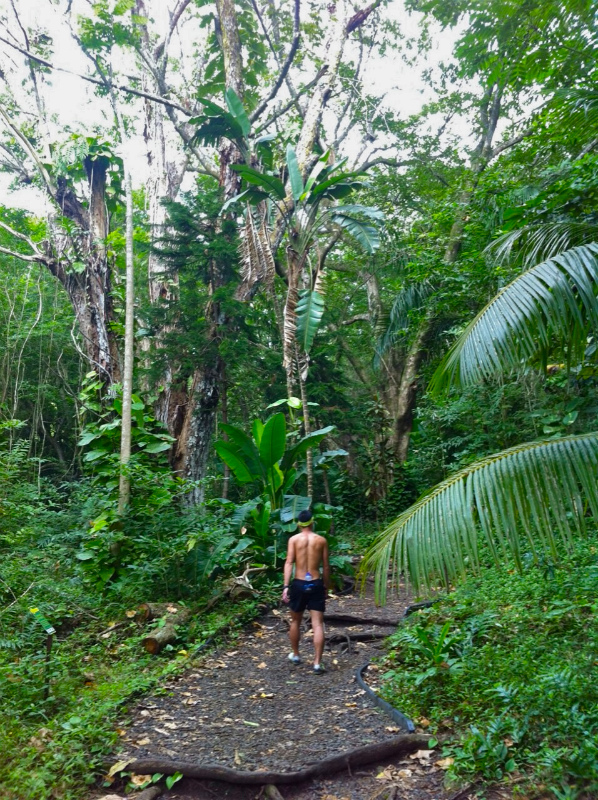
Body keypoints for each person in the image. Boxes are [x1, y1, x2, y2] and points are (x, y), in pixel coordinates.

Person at [281, 509, 330, 673]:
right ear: (312, 522)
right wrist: (326, 586)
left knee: (295, 621)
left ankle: (295, 655)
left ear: (298, 524)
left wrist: (286, 586)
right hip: (315, 583)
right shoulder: (321, 540)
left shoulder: (293, 539)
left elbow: (289, 562)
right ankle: (317, 663)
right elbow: (326, 565)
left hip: (299, 583)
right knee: (317, 624)